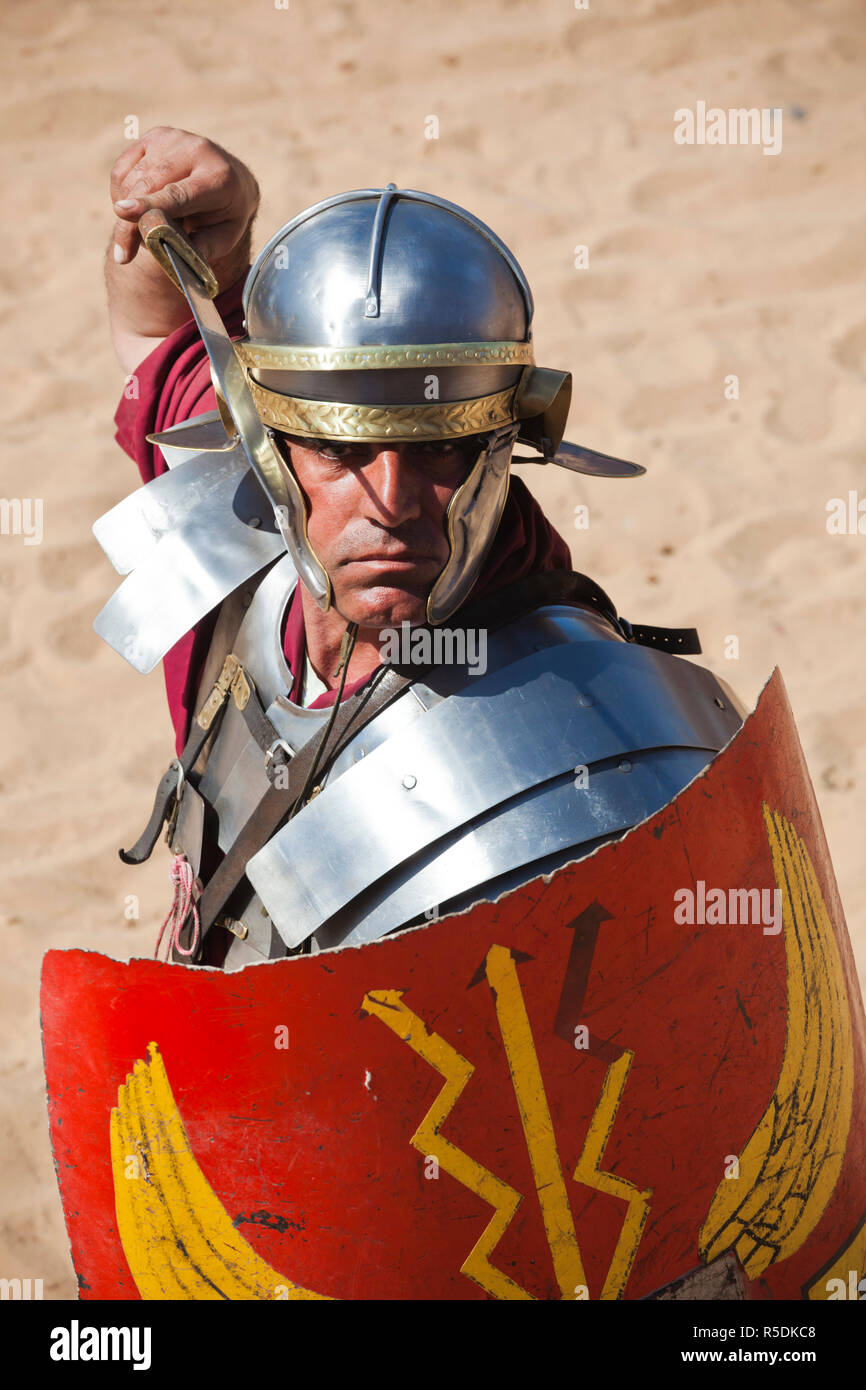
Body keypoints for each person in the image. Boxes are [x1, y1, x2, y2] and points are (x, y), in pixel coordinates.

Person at [103, 126, 742, 969]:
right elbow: (162, 337)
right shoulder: (239, 544)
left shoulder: (588, 750)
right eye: (343, 450)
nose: (392, 503)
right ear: (266, 446)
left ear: (504, 446)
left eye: (440, 449)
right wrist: (200, 247)